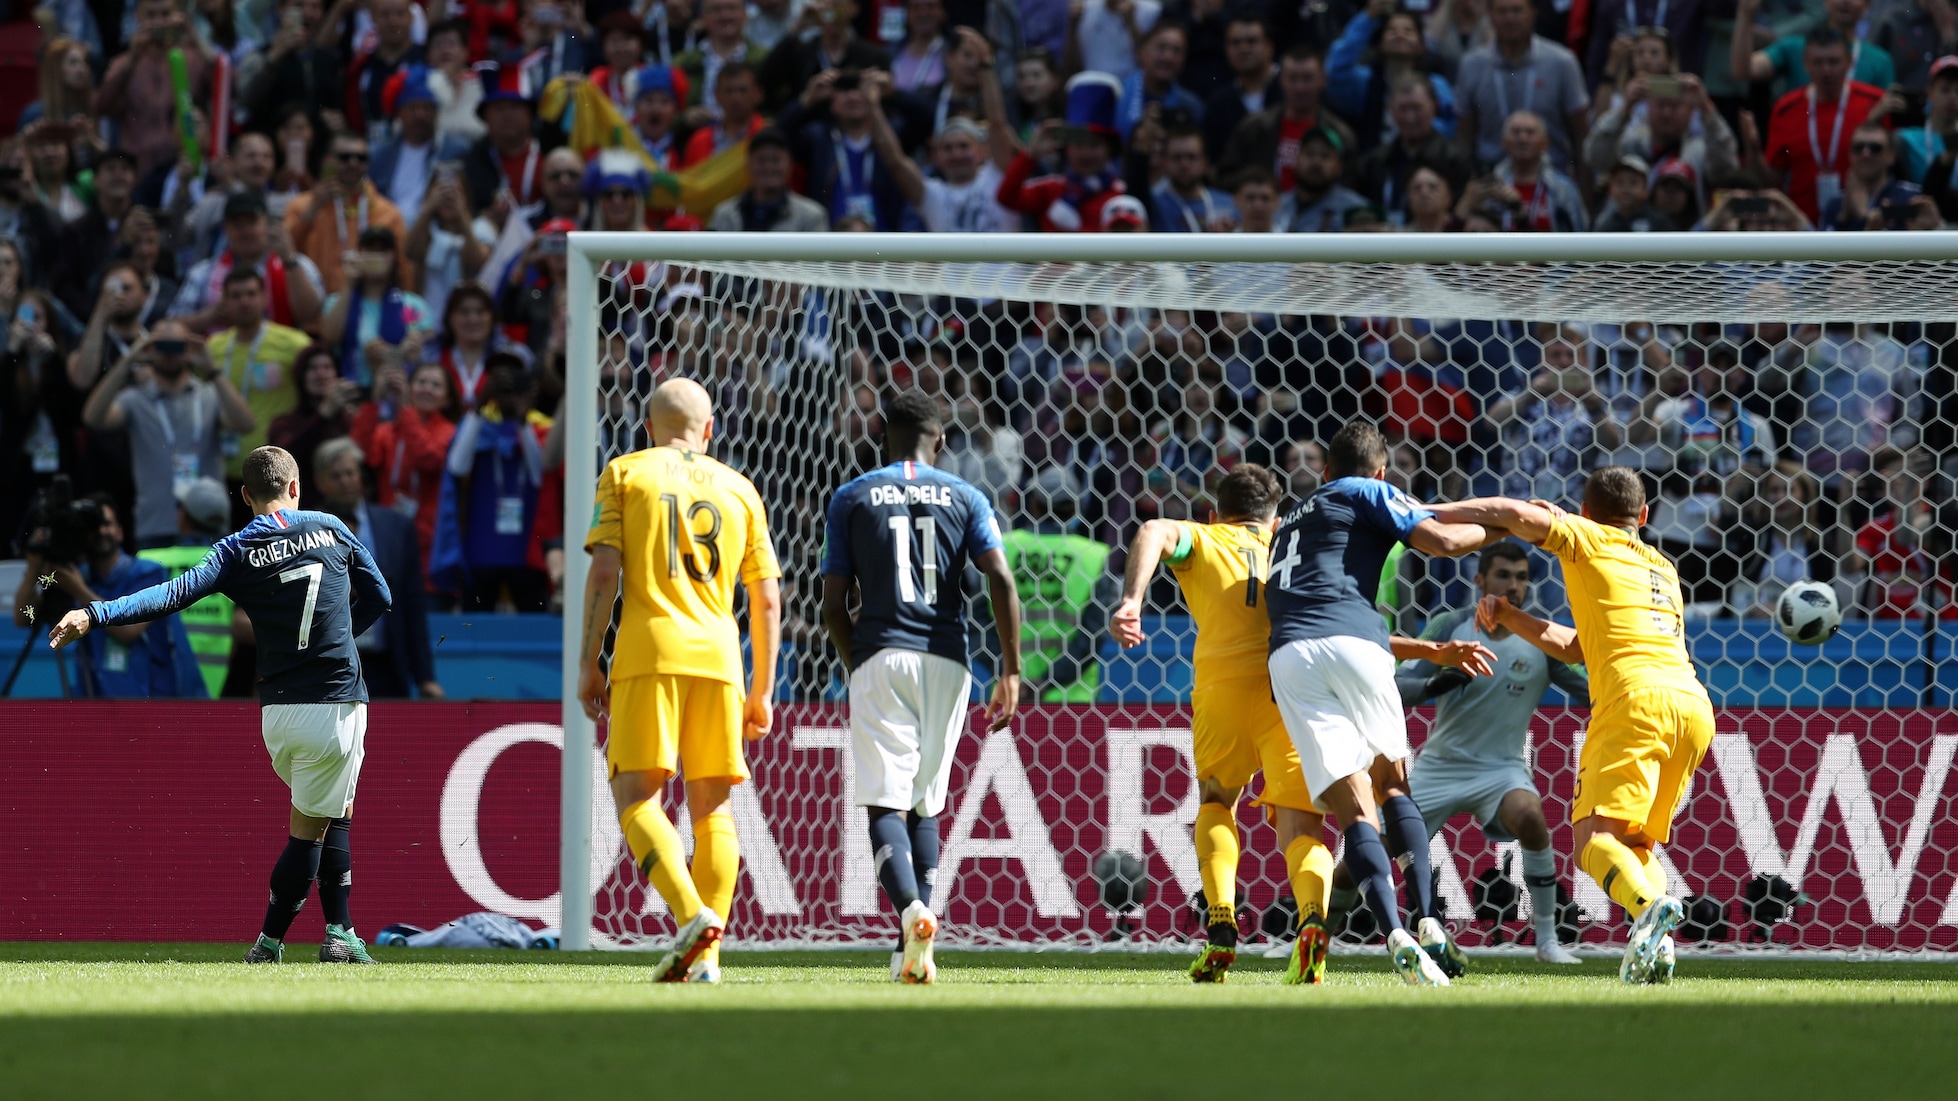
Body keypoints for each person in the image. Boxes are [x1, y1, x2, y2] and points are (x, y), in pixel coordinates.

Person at [51, 445, 393, 965]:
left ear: (245, 496)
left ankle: (341, 931)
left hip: (277, 711)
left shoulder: (236, 549)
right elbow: (380, 596)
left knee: (334, 810)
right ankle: (272, 942)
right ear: (297, 487)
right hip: (334, 702)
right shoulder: (333, 527)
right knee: (313, 824)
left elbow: (170, 595)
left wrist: (94, 614)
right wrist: (340, 640)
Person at [1429, 469, 1718, 984]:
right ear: (1644, 517)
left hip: (1634, 700)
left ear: (1584, 512)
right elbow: (1578, 648)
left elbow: (1515, 515)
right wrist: (1511, 617)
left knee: (1590, 841)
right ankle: (1658, 944)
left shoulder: (1587, 537)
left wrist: (1438, 513)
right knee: (1633, 846)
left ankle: (1652, 907)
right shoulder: (1663, 567)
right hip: (1692, 707)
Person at [1260, 419, 1498, 987]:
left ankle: (1391, 930)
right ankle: (1428, 920)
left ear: (1322, 469)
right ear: (1383, 472)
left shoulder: (1290, 518)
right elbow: (1442, 543)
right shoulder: (1367, 490)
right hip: (1355, 645)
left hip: (1289, 657)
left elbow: (1316, 601)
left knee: (1351, 809)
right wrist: (1507, 528)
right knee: (1392, 785)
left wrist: (1429, 648)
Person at [577, 378, 783, 984]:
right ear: (710, 429)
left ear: (648, 427)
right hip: (721, 658)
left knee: (637, 797)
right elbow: (767, 600)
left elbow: (604, 573)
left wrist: (590, 658)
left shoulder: (625, 473)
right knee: (714, 806)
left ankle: (692, 918)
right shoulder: (741, 489)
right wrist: (763, 687)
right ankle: (707, 961)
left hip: (650, 649)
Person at [820, 391, 1022, 984]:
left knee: (885, 802)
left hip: (882, 651)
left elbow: (833, 602)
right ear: (940, 441)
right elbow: (1001, 580)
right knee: (926, 803)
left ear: (885, 435)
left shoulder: (852, 495)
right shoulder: (968, 496)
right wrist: (1010, 670)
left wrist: (856, 660)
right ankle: (913, 943)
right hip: (949, 662)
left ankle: (910, 910)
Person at [1111, 464, 1337, 984]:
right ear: (1274, 516)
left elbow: (1151, 530)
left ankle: (1220, 922)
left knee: (1216, 801)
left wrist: (1131, 601)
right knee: (1303, 825)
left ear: (1215, 513)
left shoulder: (1206, 539)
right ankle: (1312, 922)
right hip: (1290, 687)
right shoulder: (1290, 544)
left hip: (1222, 687)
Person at [1368, 540, 1590, 965]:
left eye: (1522, 577)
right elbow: (1398, 687)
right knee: (1362, 857)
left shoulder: (1544, 640)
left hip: (1501, 771)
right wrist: (1437, 683)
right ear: (1479, 580)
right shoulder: (1451, 627)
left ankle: (1547, 942)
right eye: (1503, 575)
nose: (1513, 586)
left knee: (1530, 815)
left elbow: (1592, 695)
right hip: (1439, 767)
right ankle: (1316, 937)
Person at [81, 322, 257, 549]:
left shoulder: (208, 394)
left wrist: (211, 368)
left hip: (209, 521)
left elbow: (245, 424)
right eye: (161, 345)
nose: (169, 353)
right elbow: (93, 418)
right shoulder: (136, 399)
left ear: (189, 349)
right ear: (149, 349)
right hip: (155, 524)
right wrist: (128, 360)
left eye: (177, 345)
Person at [16, 494, 204, 699]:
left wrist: (79, 590)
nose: (101, 532)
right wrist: (34, 568)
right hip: (97, 704)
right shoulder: (79, 577)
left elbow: (129, 630)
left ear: (120, 532)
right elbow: (22, 617)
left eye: (106, 524)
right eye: (94, 527)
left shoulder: (147, 573)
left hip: (150, 701)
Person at [314, 437, 439, 699]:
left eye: (350, 473)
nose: (345, 481)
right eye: (336, 476)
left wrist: (425, 677)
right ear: (320, 483)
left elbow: (412, 605)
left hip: (387, 664)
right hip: (327, 666)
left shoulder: (396, 527)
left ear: (360, 476)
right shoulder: (305, 532)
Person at [1763, 28, 1893, 223]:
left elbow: (1888, 161)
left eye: (1833, 62)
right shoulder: (1785, 108)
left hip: (1859, 225)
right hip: (1801, 227)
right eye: (1817, 62)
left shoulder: (1876, 103)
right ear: (1805, 65)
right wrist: (1753, 147)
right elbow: (1774, 177)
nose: (1826, 70)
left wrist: (1872, 121)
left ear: (1849, 62)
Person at [205, 268, 312, 489]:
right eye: (236, 295)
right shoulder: (212, 348)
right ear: (224, 302)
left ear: (264, 298)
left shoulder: (294, 344)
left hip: (276, 471)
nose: (244, 301)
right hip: (223, 470)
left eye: (251, 294)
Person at [1453, 0, 1589, 170]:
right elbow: (1464, 135)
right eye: (1502, 12)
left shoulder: (1561, 63)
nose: (1510, 19)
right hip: (1491, 173)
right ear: (1490, 15)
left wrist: (1585, 191)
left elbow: (1580, 132)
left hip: (1550, 174)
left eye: (1517, 11)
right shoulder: (1472, 64)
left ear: (1533, 13)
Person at [136, 476, 240, 697]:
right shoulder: (235, 564)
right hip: (218, 686)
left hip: (162, 686)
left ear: (183, 516)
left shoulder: (148, 561)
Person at [174, 192, 326, 334]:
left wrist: (289, 260)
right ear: (226, 229)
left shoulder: (295, 264)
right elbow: (172, 324)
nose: (246, 231)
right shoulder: (203, 272)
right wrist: (210, 316)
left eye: (252, 223)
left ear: (266, 223)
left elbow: (312, 315)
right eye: (238, 225)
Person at [285, 131, 412, 299]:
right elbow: (284, 254)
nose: (353, 163)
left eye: (361, 158)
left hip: (370, 312)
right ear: (328, 160)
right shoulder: (301, 205)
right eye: (345, 157)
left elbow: (403, 268)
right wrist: (313, 209)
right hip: (315, 314)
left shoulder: (389, 213)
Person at [998, 73, 1130, 232]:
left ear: (1110, 149)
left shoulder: (1122, 195)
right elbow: (1006, 197)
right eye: (1079, 145)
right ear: (1067, 148)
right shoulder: (1052, 188)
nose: (1086, 154)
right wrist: (1031, 154)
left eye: (1094, 145)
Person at [95, 0, 213, 176]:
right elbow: (103, 106)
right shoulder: (123, 63)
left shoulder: (193, 59)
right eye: (150, 15)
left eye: (165, 15)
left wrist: (193, 35)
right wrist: (131, 59)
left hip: (182, 165)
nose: (158, 21)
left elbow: (226, 88)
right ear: (138, 17)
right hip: (138, 168)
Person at [1219, 48, 1355, 189]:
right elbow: (1226, 176)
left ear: (1323, 79)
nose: (1300, 87)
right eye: (1293, 78)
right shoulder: (1253, 128)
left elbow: (1348, 183)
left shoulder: (1340, 135)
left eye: (1307, 78)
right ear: (1281, 80)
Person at [320, 226, 435, 388]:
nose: (377, 256)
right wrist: (349, 282)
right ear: (359, 254)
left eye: (383, 251)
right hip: (352, 389)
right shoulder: (337, 301)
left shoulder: (413, 304)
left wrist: (398, 354)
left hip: (398, 392)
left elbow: (428, 352)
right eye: (370, 250)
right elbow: (330, 336)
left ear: (394, 258)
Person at [1354, 78, 1478, 226]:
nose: (1410, 118)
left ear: (1434, 107)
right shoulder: (1374, 161)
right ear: (1391, 110)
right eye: (1403, 109)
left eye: (1417, 108)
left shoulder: (1455, 160)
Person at [371, 66, 472, 229]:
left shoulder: (456, 150)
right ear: (399, 113)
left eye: (427, 108)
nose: (420, 115)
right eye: (411, 108)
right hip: (388, 228)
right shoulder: (379, 155)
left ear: (437, 112)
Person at [1734, 0, 1897, 99]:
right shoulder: (1795, 46)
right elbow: (1744, 70)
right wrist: (1745, 13)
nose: (1845, 1)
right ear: (1824, 1)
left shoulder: (1880, 60)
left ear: (1866, 6)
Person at [1821, 124, 1943, 230]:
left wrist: (1936, 228)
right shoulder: (1835, 203)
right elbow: (1823, 253)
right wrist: (1843, 219)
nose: (1866, 154)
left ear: (1891, 156)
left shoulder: (1912, 197)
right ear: (1850, 154)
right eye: (1858, 148)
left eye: (1875, 148)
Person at [708, 128, 830, 230]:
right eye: (761, 161)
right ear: (748, 166)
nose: (768, 167)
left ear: (790, 165)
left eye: (775, 160)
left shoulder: (811, 216)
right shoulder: (724, 214)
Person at [1202, 17, 1277, 161]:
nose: (1243, 49)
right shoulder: (1218, 103)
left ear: (1270, 47)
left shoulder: (1293, 91)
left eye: (1251, 41)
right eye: (1235, 43)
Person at [1276, 125, 1369, 233]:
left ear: (1339, 167)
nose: (1316, 162)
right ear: (1297, 160)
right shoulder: (1277, 205)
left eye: (1325, 156)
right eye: (1309, 154)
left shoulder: (1356, 210)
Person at [1149, 126, 1236, 232]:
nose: (1184, 164)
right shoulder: (1153, 205)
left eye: (1191, 157)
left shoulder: (1228, 203)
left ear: (1205, 162)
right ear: (1164, 162)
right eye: (1176, 158)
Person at [1594, 155, 1675, 231]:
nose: (1625, 189)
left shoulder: (1659, 222)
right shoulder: (1605, 224)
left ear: (1646, 189)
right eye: (1619, 183)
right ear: (1610, 190)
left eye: (1633, 183)